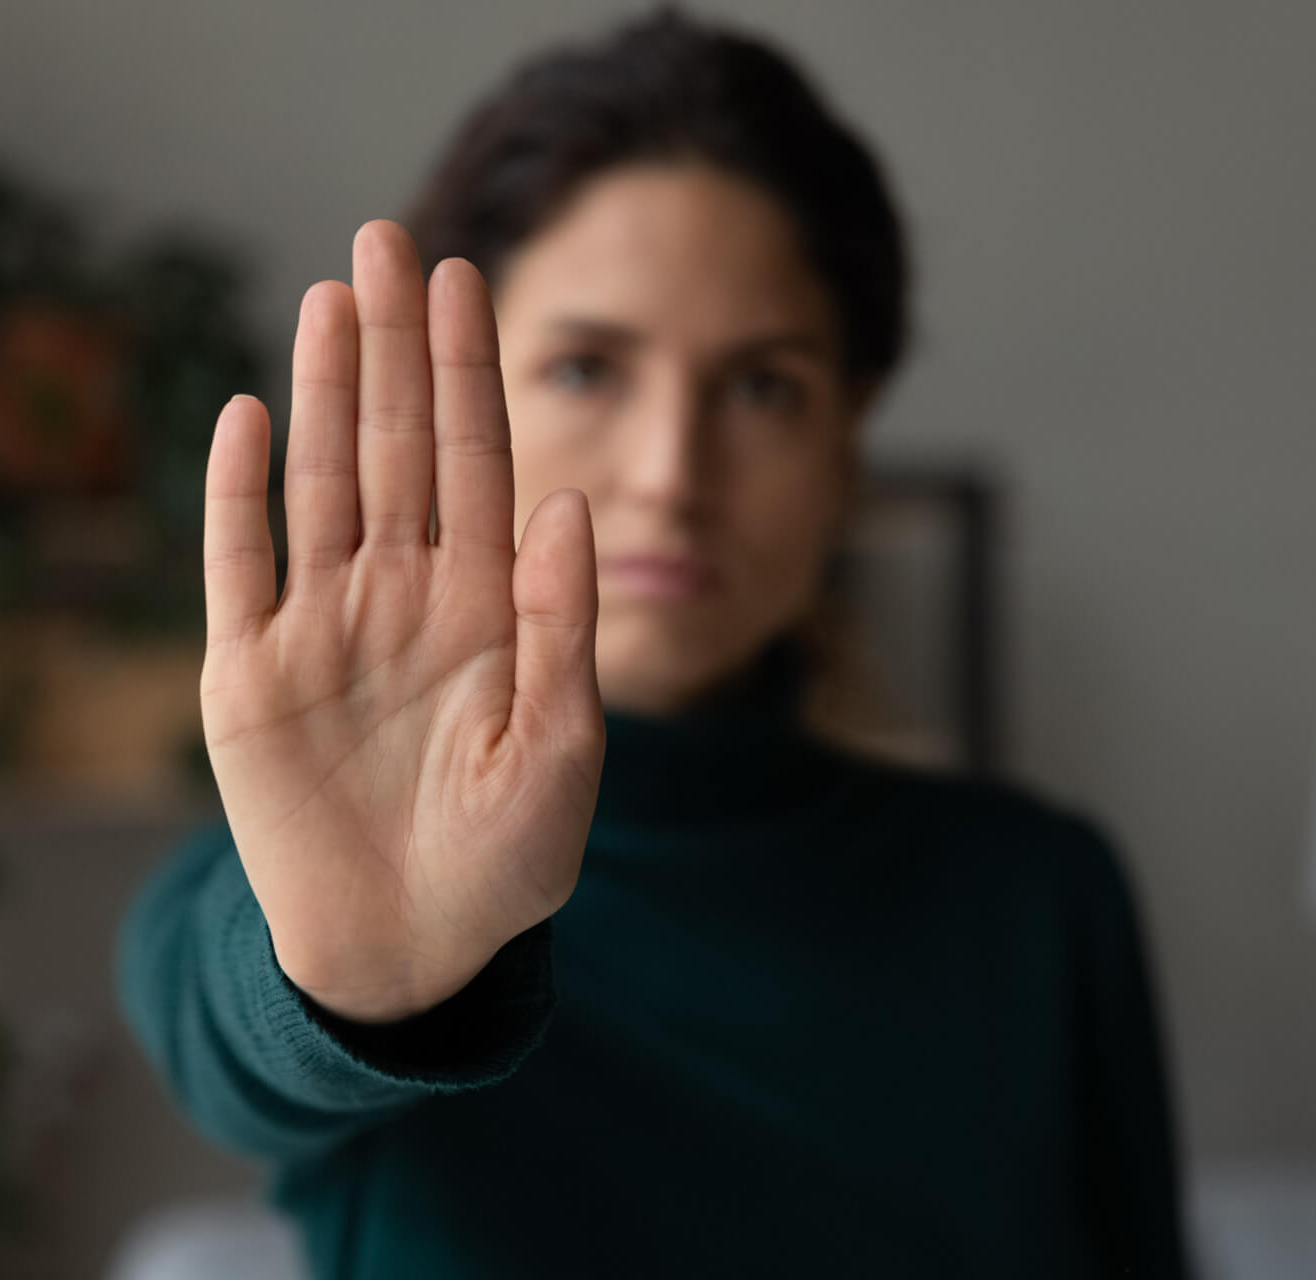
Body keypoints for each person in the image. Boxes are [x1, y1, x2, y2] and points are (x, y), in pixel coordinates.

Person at [116, 7, 1189, 1277]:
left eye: (761, 385)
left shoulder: (1038, 898)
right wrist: (362, 978)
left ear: (847, 447)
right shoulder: (300, 874)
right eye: (585, 369)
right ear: (454, 391)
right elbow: (240, 1036)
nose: (672, 472)